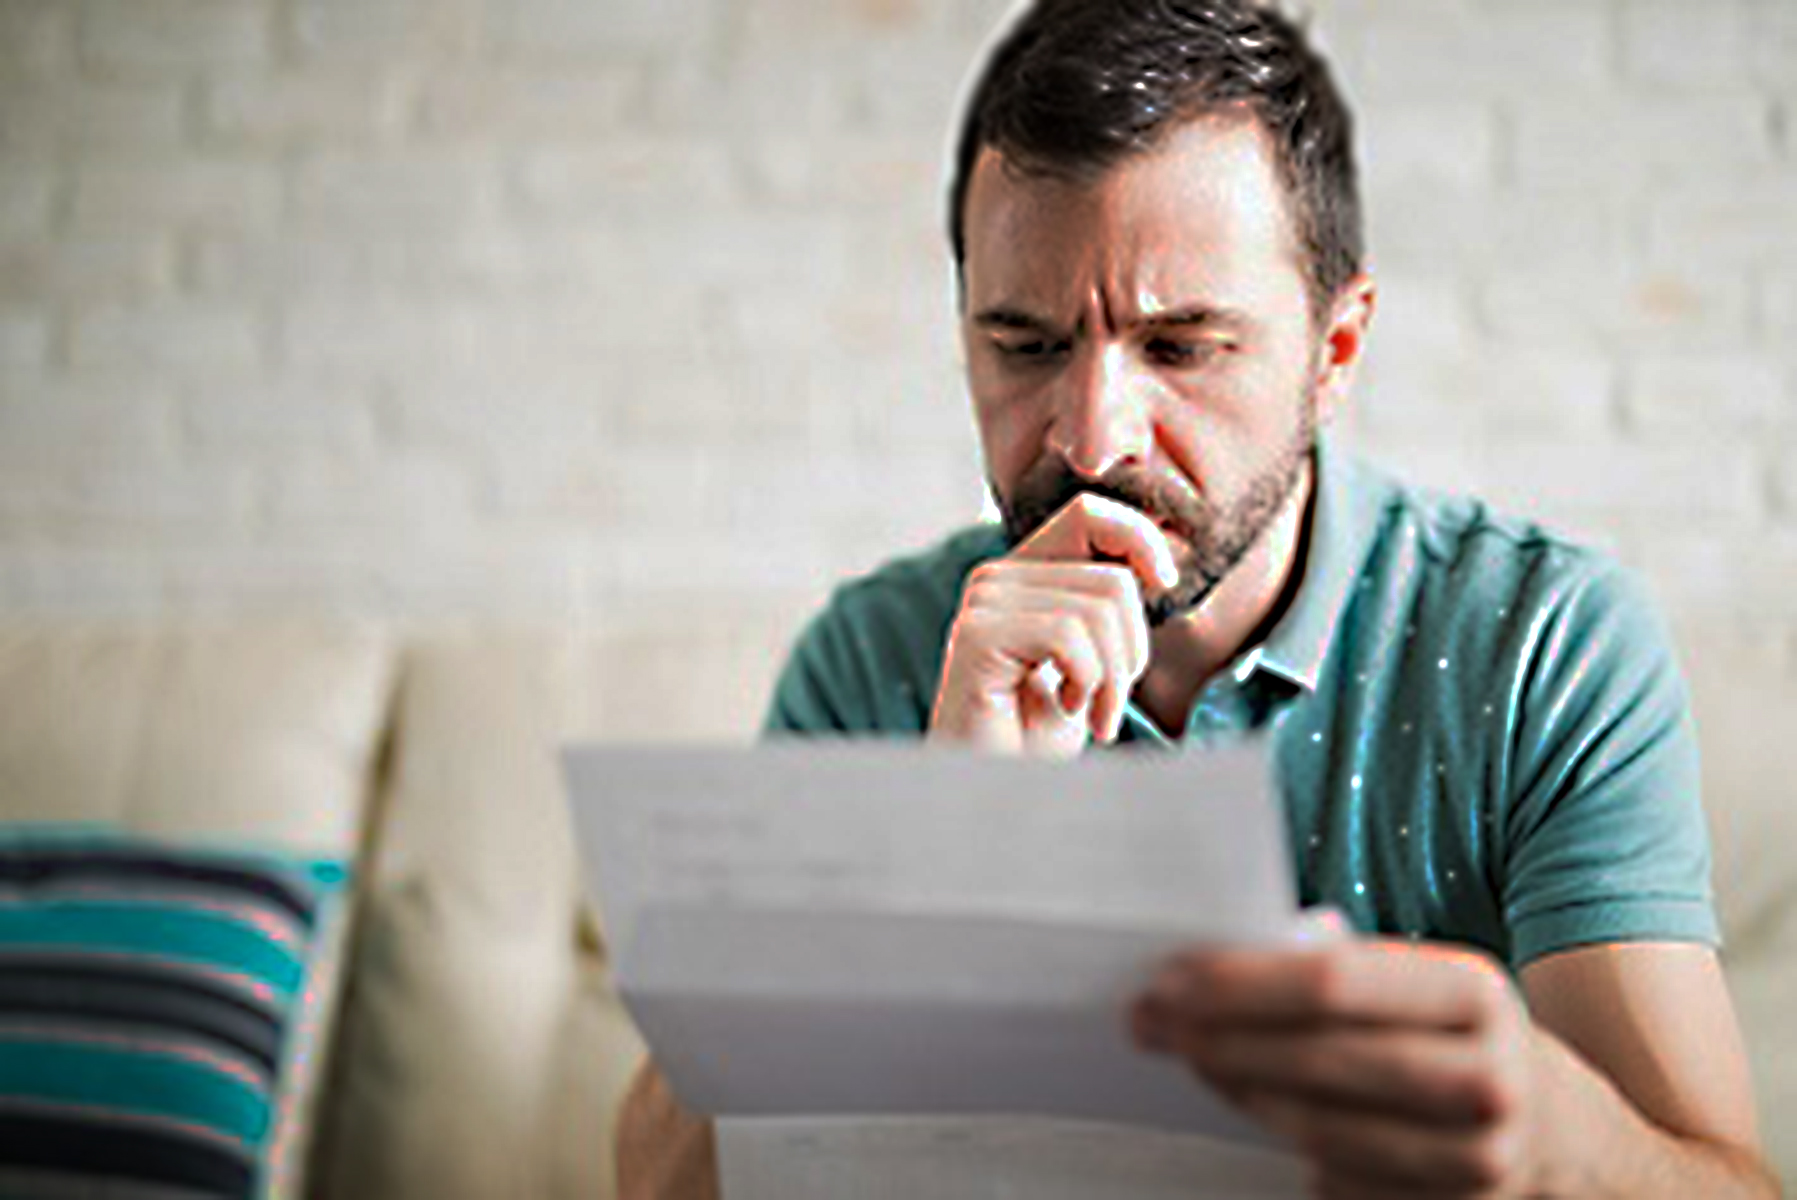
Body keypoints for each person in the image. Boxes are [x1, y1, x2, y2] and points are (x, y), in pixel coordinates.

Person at [617, 1, 1778, 1196]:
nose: (1091, 438)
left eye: (1178, 347)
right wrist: (935, 833)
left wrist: (1547, 1137)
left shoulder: (1540, 645)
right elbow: (661, 1183)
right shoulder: (876, 655)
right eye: (1025, 346)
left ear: (1333, 352)